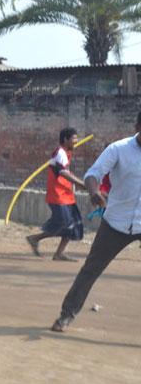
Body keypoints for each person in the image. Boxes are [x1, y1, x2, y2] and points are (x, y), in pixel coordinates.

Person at [51, 113, 141, 332]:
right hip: (116, 222)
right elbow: (94, 174)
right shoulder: (118, 149)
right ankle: (66, 315)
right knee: (91, 269)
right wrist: (93, 192)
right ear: (138, 126)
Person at [26, 128, 87, 261]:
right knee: (64, 223)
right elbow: (62, 172)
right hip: (57, 195)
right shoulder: (60, 152)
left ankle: (58, 254)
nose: (76, 141)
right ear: (65, 139)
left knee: (73, 225)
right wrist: (82, 184)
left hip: (67, 195)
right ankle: (35, 238)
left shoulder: (66, 152)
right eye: (74, 138)